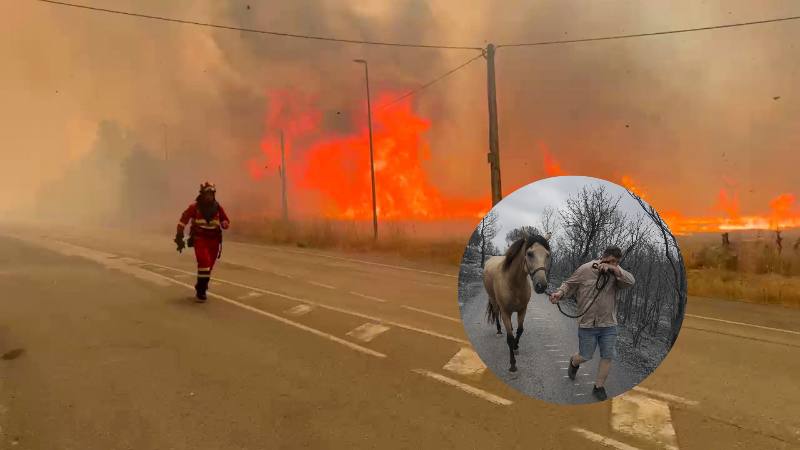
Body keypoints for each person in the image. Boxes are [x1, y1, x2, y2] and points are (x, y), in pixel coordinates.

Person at [549, 245, 635, 401]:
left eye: (616, 262)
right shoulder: (585, 269)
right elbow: (569, 284)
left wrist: (615, 270)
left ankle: (599, 386)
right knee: (585, 356)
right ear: (603, 256)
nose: (613, 264)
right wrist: (559, 294)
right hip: (587, 323)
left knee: (607, 356)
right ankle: (574, 362)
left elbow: (631, 282)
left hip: (608, 323)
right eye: (611, 261)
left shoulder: (617, 273)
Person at [175, 182, 230, 302]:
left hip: (214, 241)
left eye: (212, 194)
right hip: (200, 239)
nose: (210, 196)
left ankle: (201, 286)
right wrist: (179, 234)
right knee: (204, 263)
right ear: (203, 195)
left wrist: (225, 223)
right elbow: (183, 219)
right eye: (207, 194)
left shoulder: (217, 207)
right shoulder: (195, 207)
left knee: (208, 267)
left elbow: (225, 219)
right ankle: (201, 291)